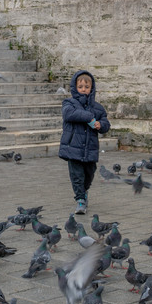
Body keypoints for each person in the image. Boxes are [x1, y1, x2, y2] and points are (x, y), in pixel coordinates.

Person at [59, 70, 110, 214]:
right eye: (80, 87)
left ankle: (84, 191)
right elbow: (69, 114)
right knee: (77, 175)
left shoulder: (98, 108)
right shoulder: (69, 103)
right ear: (75, 87)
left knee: (89, 173)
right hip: (73, 147)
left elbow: (106, 123)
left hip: (90, 148)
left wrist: (101, 124)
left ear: (91, 88)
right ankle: (80, 200)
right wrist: (89, 117)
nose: (83, 90)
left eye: (86, 87)